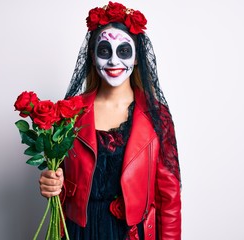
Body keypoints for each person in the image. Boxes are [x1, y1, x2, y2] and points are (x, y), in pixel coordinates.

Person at [39, 2, 181, 239]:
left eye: (123, 51)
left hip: (132, 234)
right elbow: (65, 186)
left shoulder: (158, 116)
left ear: (137, 58)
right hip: (81, 232)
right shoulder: (69, 114)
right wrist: (52, 184)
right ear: (92, 57)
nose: (114, 61)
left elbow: (170, 197)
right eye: (104, 51)